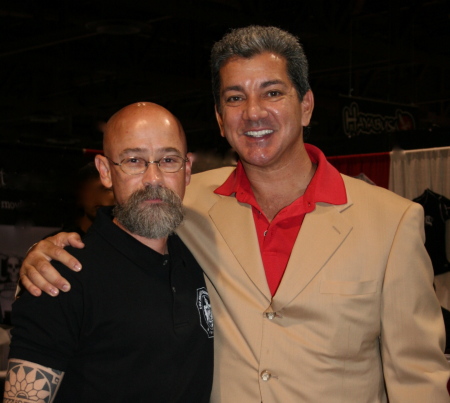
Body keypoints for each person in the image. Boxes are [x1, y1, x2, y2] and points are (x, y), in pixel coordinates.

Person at [18, 26, 450, 402]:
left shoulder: (391, 223)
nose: (254, 112)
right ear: (220, 119)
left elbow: (418, 381)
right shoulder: (184, 200)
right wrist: (44, 254)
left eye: (273, 92)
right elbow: (118, 237)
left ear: (307, 105)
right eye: (234, 97)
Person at [4, 102, 213, 402]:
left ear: (187, 169)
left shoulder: (199, 255)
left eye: (168, 160)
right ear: (105, 171)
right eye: (133, 160)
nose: (153, 178)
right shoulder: (59, 276)